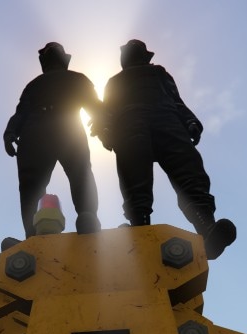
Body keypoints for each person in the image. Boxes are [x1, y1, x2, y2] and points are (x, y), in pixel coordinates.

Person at [94, 39, 236, 259]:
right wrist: (105, 128)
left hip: (164, 118)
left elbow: (176, 100)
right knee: (135, 177)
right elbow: (107, 109)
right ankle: (140, 229)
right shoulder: (115, 81)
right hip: (131, 122)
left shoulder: (159, 74)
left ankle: (206, 228)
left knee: (188, 170)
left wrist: (190, 121)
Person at [4, 42, 102, 237]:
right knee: (80, 174)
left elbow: (20, 113)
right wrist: (105, 127)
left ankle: (35, 233)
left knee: (33, 185)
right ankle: (87, 217)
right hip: (65, 128)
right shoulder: (76, 78)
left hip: (37, 132)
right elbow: (96, 107)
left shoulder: (34, 85)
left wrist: (10, 132)